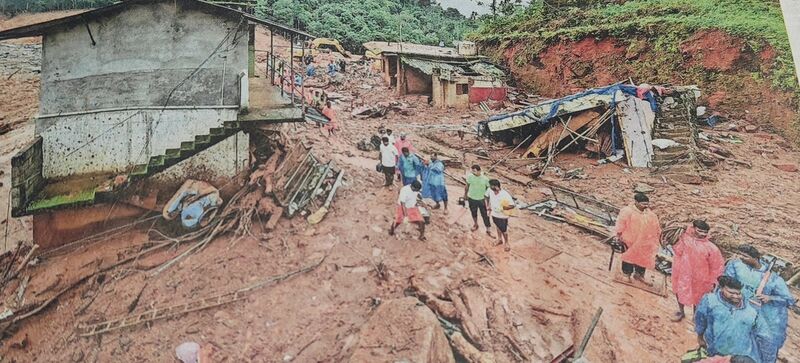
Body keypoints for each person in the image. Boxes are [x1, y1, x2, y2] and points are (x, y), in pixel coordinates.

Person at [725, 244, 796, 363]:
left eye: (745, 256)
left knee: (766, 349)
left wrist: (770, 297)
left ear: (755, 258)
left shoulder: (774, 279)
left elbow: (788, 300)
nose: (741, 258)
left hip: (767, 319)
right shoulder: (738, 267)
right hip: (743, 315)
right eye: (740, 255)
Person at [695, 276, 770, 362]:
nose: (736, 296)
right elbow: (700, 319)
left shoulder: (751, 308)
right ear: (721, 288)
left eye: (738, 293)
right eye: (731, 293)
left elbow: (762, 334)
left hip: (741, 354)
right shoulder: (710, 300)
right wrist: (700, 337)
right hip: (715, 350)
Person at [670, 220, 725, 322]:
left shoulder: (712, 248)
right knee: (679, 290)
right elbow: (678, 251)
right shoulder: (684, 239)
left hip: (701, 277)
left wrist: (714, 281)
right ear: (693, 229)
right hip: (682, 273)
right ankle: (681, 311)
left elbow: (717, 266)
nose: (702, 234)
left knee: (698, 297)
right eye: (699, 231)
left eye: (705, 232)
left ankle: (695, 316)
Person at [613, 193, 661, 282]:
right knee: (628, 257)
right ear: (636, 202)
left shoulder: (651, 215)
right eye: (643, 204)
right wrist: (618, 235)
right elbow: (621, 224)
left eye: (647, 204)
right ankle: (626, 274)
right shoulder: (627, 211)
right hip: (629, 240)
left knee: (643, 258)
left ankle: (639, 274)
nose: (646, 206)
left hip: (644, 242)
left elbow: (656, 227)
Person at [485, 179, 514, 250]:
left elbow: (512, 205)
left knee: (504, 230)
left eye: (494, 188)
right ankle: (499, 239)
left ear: (497, 186)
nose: (493, 191)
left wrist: (502, 208)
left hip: (502, 215)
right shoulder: (490, 190)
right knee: (497, 226)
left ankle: (506, 243)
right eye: (491, 188)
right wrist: (488, 205)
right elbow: (486, 196)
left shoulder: (505, 194)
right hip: (494, 214)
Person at [464, 165, 492, 236]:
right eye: (472, 171)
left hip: (481, 199)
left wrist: (488, 201)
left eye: (474, 171)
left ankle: (488, 229)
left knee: (485, 215)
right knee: (473, 212)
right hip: (472, 198)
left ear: (479, 171)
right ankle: (475, 224)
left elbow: (488, 190)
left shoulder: (485, 179)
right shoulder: (470, 176)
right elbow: (467, 185)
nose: (473, 172)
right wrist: (465, 194)